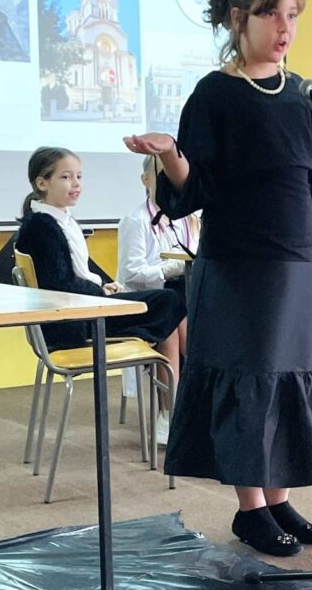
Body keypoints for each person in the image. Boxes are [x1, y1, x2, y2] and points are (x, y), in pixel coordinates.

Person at [123, 0, 312, 557]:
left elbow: (309, 184)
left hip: (293, 264)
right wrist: (171, 154)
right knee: (250, 380)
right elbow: (193, 192)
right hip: (238, 267)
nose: (285, 27)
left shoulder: (300, 95)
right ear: (238, 19)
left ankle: (278, 499)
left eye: (293, 16)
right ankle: (250, 508)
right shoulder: (214, 94)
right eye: (272, 14)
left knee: (286, 379)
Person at [15, 147, 186, 441]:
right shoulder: (42, 227)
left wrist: (102, 288)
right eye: (66, 177)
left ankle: (175, 411)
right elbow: (59, 287)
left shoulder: (57, 219)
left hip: (84, 309)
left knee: (172, 308)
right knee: (169, 302)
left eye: (79, 177)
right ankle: (179, 409)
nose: (76, 184)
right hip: (75, 322)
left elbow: (72, 277)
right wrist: (98, 291)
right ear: (42, 183)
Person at [116, 153, 200, 302]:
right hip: (147, 299)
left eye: (174, 174)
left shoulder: (190, 219)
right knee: (175, 298)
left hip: (183, 291)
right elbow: (131, 274)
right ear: (146, 180)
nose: (169, 181)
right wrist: (167, 270)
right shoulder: (135, 220)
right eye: (162, 175)